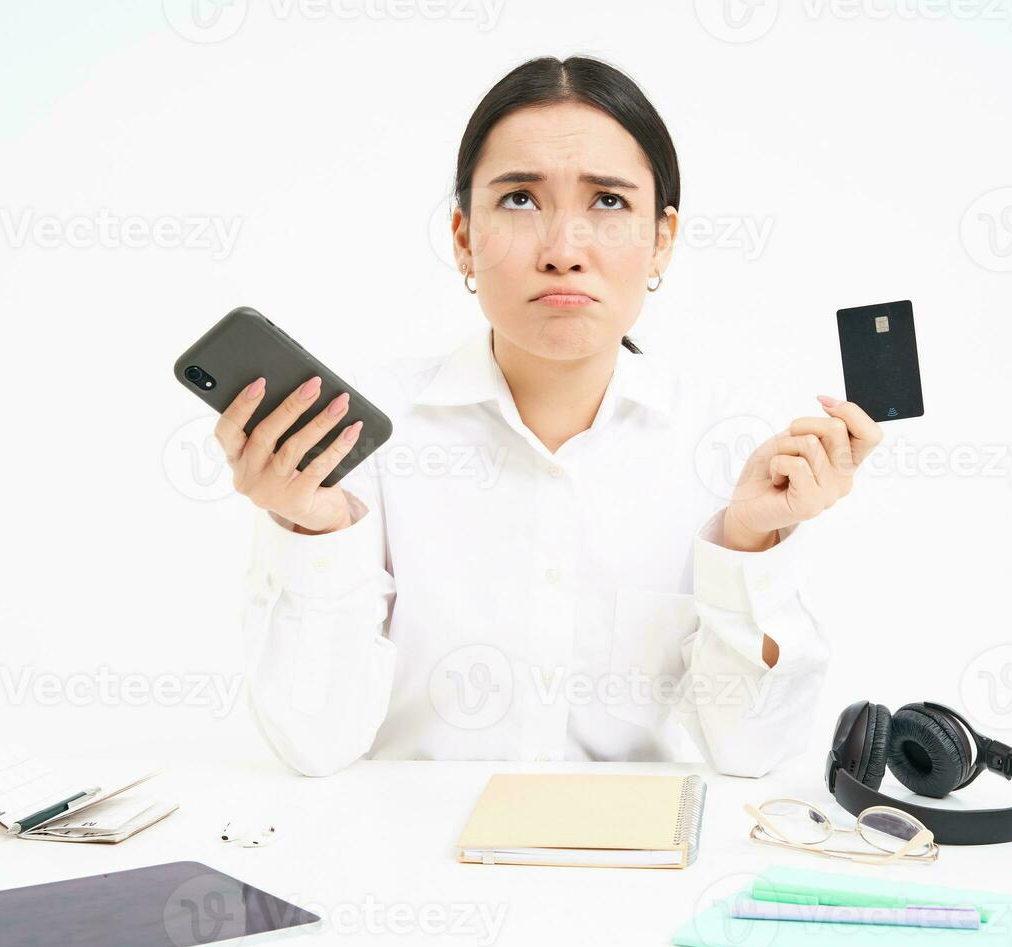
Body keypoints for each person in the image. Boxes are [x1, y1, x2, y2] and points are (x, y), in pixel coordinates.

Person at [214, 55, 883, 778]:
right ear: (464, 238)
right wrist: (314, 534)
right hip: (409, 866)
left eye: (608, 203)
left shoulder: (723, 448)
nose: (564, 252)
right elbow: (314, 745)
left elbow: (750, 753)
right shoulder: (364, 437)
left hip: (630, 876)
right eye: (521, 201)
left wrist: (748, 543)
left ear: (662, 239)